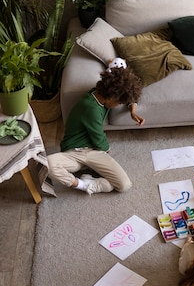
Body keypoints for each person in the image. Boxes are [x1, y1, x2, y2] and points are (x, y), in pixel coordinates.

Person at [47, 64, 144, 196]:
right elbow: (99, 137)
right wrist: (107, 151)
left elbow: (128, 93)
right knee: (48, 165)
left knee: (124, 185)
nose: (118, 106)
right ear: (112, 97)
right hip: (74, 153)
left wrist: (133, 111)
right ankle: (84, 185)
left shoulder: (102, 93)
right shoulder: (91, 107)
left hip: (92, 151)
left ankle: (91, 180)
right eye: (119, 103)